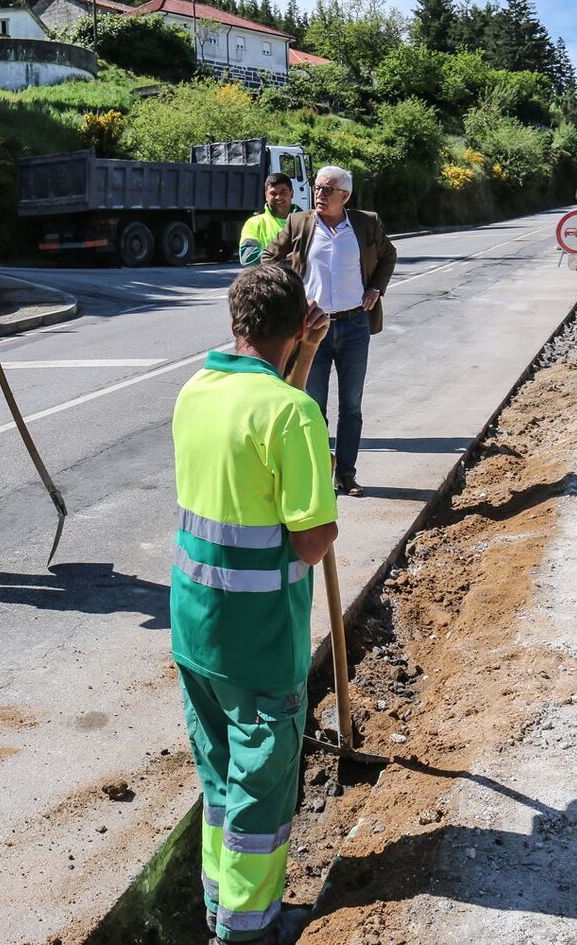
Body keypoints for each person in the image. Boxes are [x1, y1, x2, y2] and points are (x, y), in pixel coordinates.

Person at [170, 264, 339, 945]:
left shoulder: (197, 388)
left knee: (219, 779)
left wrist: (303, 353)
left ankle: (220, 906)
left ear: (235, 321)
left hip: (195, 627)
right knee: (263, 789)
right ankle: (247, 929)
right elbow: (311, 543)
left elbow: (258, 423)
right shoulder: (294, 415)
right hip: (260, 639)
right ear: (298, 325)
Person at [262, 165, 397, 498]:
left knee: (351, 406)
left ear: (345, 196)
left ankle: (346, 475)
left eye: (327, 189)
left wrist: (376, 289)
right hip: (312, 330)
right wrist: (295, 292)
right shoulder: (300, 223)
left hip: (354, 325)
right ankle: (322, 472)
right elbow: (268, 258)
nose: (319, 194)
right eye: (317, 187)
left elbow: (388, 256)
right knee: (313, 407)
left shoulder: (367, 224)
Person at [238, 173, 300, 267]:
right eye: (273, 193)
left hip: (300, 281)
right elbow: (248, 257)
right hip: (268, 281)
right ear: (266, 196)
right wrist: (285, 258)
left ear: (292, 194)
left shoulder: (308, 222)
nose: (278, 197)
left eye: (283, 193)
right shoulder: (254, 224)